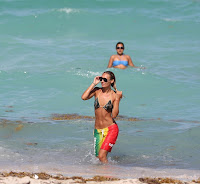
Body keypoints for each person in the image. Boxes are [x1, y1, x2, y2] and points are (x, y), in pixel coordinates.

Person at [81, 71, 122, 163]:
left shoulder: (114, 96)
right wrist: (93, 83)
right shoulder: (97, 91)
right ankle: (104, 173)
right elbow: (84, 97)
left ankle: (110, 176)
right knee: (98, 157)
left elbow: (114, 115)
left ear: (111, 81)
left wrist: (118, 99)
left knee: (102, 156)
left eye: (105, 79)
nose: (102, 81)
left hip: (111, 129)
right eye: (101, 79)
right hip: (98, 130)